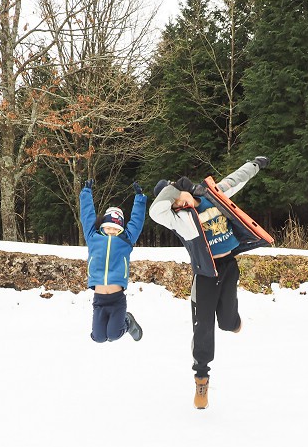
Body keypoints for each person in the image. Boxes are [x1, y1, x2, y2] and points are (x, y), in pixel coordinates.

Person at [149, 157, 271, 409]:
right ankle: (201, 379)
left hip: (228, 268)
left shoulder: (211, 196)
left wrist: (255, 164)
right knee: (203, 327)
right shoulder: (178, 218)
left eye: (177, 198)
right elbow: (155, 211)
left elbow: (236, 179)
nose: (177, 203)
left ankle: (233, 321)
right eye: (173, 202)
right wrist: (174, 191)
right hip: (205, 275)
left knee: (227, 323)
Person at [80, 179, 147, 343]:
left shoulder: (126, 240)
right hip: (99, 299)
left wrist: (139, 198)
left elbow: (136, 222)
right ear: (102, 227)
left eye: (116, 229)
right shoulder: (92, 237)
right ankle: (104, 329)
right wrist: (86, 193)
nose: (111, 231)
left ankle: (127, 321)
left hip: (117, 299)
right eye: (108, 227)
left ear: (121, 230)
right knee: (98, 337)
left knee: (114, 334)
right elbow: (87, 216)